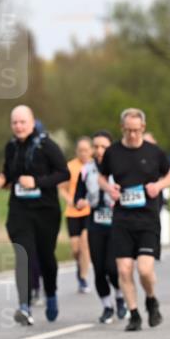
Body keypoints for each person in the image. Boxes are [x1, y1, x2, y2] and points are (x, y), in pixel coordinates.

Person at [98, 109, 170, 331]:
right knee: (124, 269)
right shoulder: (113, 152)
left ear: (143, 128)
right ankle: (134, 314)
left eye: (136, 130)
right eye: (128, 130)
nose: (132, 135)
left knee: (144, 270)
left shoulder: (153, 152)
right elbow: (102, 177)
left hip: (147, 219)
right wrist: (109, 188)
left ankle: (151, 299)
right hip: (122, 218)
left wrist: (158, 186)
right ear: (122, 128)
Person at [0, 106, 69, 325]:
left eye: (22, 122)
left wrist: (37, 182)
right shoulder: (11, 147)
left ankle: (51, 295)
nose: (18, 126)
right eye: (15, 122)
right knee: (23, 256)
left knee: (46, 258)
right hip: (20, 211)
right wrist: (2, 179)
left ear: (32, 122)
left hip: (45, 211)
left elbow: (64, 173)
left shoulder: (47, 145)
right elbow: (9, 172)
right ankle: (24, 307)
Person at [74, 130, 126, 323]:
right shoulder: (87, 169)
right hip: (95, 221)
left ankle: (120, 297)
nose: (99, 150)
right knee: (99, 269)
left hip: (116, 222)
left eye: (103, 146)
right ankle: (106, 306)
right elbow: (78, 195)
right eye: (95, 146)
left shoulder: (120, 167)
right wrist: (80, 201)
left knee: (112, 268)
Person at [60, 136, 95, 294]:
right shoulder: (70, 167)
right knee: (75, 249)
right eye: (80, 150)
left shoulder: (95, 166)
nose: (83, 153)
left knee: (85, 244)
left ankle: (83, 278)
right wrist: (70, 200)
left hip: (89, 211)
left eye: (86, 150)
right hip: (73, 212)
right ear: (76, 151)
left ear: (91, 150)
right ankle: (79, 266)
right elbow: (62, 188)